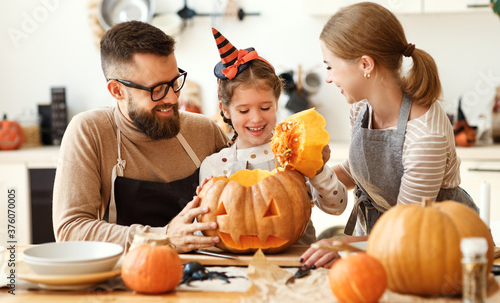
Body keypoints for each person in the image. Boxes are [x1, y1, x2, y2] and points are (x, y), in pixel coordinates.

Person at [300, 2, 478, 268]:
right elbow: (362, 171)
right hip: (378, 239)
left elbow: (408, 226)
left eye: (330, 66)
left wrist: (340, 244)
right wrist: (305, 182)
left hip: (435, 246)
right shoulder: (361, 107)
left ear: (365, 65)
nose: (328, 78)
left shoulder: (425, 133)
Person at [52, 21, 229, 253]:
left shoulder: (206, 131)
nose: (173, 99)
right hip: (126, 274)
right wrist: (163, 237)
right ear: (117, 90)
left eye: (175, 82)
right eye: (157, 89)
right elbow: (70, 230)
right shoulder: (90, 132)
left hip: (205, 271)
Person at [198, 28, 348, 245]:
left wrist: (318, 170)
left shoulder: (296, 155)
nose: (256, 118)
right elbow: (207, 228)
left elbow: (337, 207)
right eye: (243, 111)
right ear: (225, 109)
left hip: (297, 261)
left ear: (277, 102)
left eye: (265, 107)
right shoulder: (214, 166)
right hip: (234, 268)